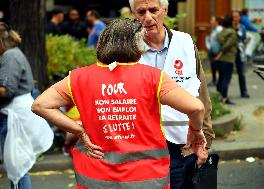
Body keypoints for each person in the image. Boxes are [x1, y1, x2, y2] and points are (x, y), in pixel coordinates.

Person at [32, 18, 207, 189]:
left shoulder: (79, 77)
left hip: (95, 178)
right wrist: (195, 131)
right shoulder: (153, 77)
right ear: (136, 44)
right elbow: (197, 107)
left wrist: (78, 130)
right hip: (147, 178)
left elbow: (40, 105)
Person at [129, 0, 215, 188]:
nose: (148, 17)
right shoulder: (128, 50)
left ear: (165, 10)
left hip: (184, 146)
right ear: (133, 14)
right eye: (141, 11)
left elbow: (201, 93)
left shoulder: (185, 42)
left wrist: (206, 140)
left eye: (153, 10)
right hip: (144, 151)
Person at [0, 22, 53, 189]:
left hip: (14, 116)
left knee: (17, 165)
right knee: (17, 164)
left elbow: (6, 90)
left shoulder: (10, 56)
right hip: (17, 113)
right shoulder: (14, 54)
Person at [215, 14, 238, 105]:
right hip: (229, 59)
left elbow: (218, 40)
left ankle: (221, 96)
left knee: (221, 77)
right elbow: (228, 45)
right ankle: (224, 97)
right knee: (226, 79)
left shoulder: (221, 32)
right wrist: (222, 51)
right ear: (231, 22)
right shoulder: (232, 32)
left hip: (221, 59)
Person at [232, 10, 250, 98]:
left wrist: (247, 41)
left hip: (240, 52)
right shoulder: (229, 26)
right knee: (226, 73)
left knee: (241, 73)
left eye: (236, 16)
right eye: (233, 16)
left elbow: (243, 41)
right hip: (231, 52)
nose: (235, 18)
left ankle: (244, 92)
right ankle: (223, 94)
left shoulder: (242, 27)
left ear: (240, 17)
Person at [206, 16, 223, 86]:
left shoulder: (219, 30)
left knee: (217, 66)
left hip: (217, 51)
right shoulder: (214, 29)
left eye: (212, 20)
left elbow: (220, 41)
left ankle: (218, 81)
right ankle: (214, 80)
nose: (211, 22)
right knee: (213, 66)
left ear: (217, 22)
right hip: (212, 50)